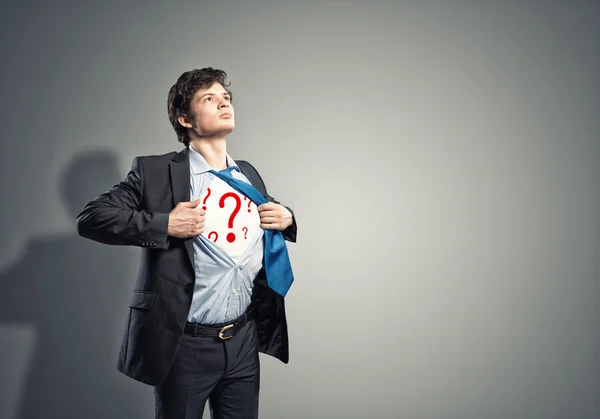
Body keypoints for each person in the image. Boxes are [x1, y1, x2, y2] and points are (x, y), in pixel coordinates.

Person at [76, 67, 297, 419]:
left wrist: (288, 218)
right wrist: (166, 224)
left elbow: (270, 217)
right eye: (209, 99)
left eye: (225, 97)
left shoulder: (247, 173)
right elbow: (92, 218)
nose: (224, 102)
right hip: (186, 344)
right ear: (185, 118)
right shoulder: (155, 172)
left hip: (242, 339)